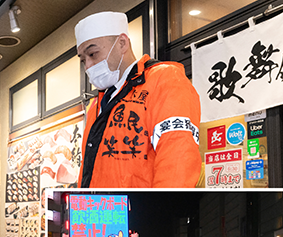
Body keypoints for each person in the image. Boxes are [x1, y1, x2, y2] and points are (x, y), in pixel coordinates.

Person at [74, 12, 201, 188]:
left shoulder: (164, 80)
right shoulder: (97, 104)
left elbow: (178, 157)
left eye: (93, 54)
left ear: (122, 43)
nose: (88, 66)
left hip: (141, 213)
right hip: (98, 211)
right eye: (83, 60)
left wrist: (161, 213)